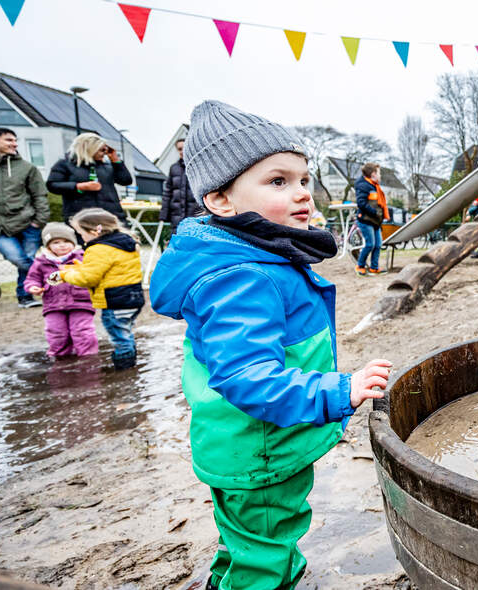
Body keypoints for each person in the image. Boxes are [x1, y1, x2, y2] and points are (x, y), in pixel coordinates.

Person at [148, 100, 392, 590]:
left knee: (248, 541)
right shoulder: (242, 277)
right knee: (267, 555)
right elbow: (246, 375)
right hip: (259, 453)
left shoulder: (254, 255)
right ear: (220, 201)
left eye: (303, 179)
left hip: (250, 446)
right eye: (278, 182)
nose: (302, 193)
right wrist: (339, 391)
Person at [58, 208, 144, 370]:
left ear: (94, 231)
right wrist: (80, 267)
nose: (81, 237)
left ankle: (124, 369)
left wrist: (64, 275)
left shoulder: (98, 249)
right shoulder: (126, 242)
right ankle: (131, 363)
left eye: (80, 233)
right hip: (133, 298)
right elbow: (112, 269)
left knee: (119, 338)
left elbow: (88, 278)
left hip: (114, 301)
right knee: (126, 333)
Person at [0, 126, 50, 308]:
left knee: (27, 258)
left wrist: (39, 221)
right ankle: (50, 278)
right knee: (19, 258)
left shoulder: (27, 168)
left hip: (28, 223)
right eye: (8, 140)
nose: (14, 144)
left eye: (15, 140)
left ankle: (26, 297)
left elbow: (39, 195)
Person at [23, 222, 98, 358]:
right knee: (56, 332)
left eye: (66, 241)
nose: (62, 245)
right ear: (48, 245)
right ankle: (59, 356)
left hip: (81, 302)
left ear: (73, 242)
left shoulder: (82, 257)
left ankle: (88, 357)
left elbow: (92, 275)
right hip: (53, 304)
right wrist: (32, 287)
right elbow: (32, 278)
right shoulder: (41, 262)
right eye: (56, 242)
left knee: (82, 331)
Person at [46, 132, 132, 224]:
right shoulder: (64, 164)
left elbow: (125, 180)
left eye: (105, 150)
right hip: (81, 218)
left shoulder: (107, 165)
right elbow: (52, 185)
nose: (104, 153)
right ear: (90, 149)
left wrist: (116, 160)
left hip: (111, 216)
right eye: (101, 150)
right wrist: (79, 186)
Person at [160, 138, 202, 235]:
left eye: (184, 148)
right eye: (179, 149)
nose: (182, 151)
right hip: (177, 214)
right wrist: (163, 215)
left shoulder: (198, 166)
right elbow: (167, 192)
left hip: (195, 214)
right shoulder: (173, 168)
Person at [354, 162, 389, 276]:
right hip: (366, 220)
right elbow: (361, 203)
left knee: (378, 244)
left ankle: (374, 267)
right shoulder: (363, 185)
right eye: (379, 173)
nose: (380, 175)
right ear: (373, 174)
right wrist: (375, 212)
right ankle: (360, 266)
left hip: (375, 221)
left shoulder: (374, 186)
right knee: (370, 244)